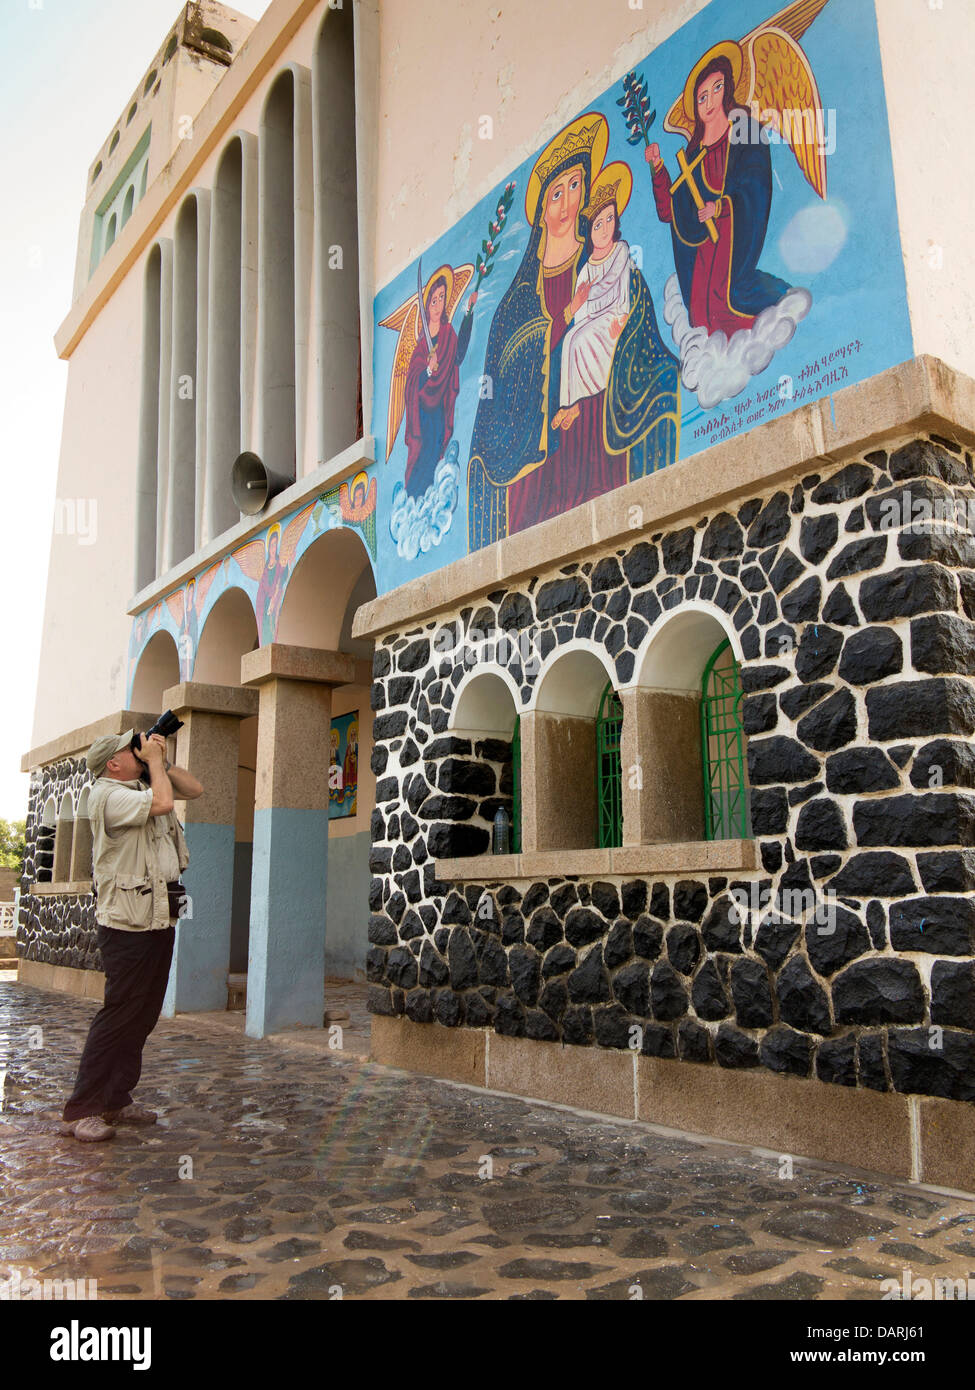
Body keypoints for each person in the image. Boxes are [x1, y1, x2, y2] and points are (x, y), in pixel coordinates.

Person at [58, 729, 203, 1141]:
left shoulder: (145, 781)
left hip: (159, 917)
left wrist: (163, 760)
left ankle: (116, 1098)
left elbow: (195, 788)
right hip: (126, 923)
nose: (138, 751)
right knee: (119, 1012)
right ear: (113, 763)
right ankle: (81, 1109)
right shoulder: (106, 794)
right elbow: (163, 803)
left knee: (143, 1014)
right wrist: (155, 764)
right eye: (130, 749)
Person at [646, 47, 791, 339]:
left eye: (716, 88)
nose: (709, 101)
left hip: (733, 245)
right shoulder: (693, 156)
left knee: (736, 303)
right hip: (704, 255)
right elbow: (670, 212)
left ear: (728, 89)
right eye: (701, 97)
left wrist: (723, 207)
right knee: (702, 317)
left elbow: (756, 185)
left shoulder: (746, 134)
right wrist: (657, 169)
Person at [553, 196, 631, 431]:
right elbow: (582, 313)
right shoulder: (586, 268)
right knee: (570, 338)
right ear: (590, 233)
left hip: (614, 317)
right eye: (598, 225)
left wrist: (620, 316)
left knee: (580, 339)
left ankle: (575, 403)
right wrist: (581, 304)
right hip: (592, 320)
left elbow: (614, 284)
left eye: (610, 219)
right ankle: (570, 404)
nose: (605, 228)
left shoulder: (621, 250)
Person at [403, 275, 476, 496]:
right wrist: (427, 370)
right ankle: (413, 497)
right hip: (422, 413)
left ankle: (426, 497)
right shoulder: (422, 345)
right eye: (433, 300)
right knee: (422, 455)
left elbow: (459, 356)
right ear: (427, 305)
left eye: (441, 298)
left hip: (439, 412)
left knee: (434, 454)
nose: (437, 304)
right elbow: (412, 383)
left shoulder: (448, 334)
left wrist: (468, 314)